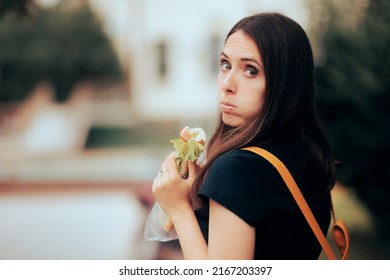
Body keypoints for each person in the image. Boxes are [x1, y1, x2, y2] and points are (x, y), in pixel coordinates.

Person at [152, 12, 336, 260]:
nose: (227, 83)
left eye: (251, 71)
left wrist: (179, 207)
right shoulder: (307, 156)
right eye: (225, 65)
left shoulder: (238, 170)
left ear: (284, 84)